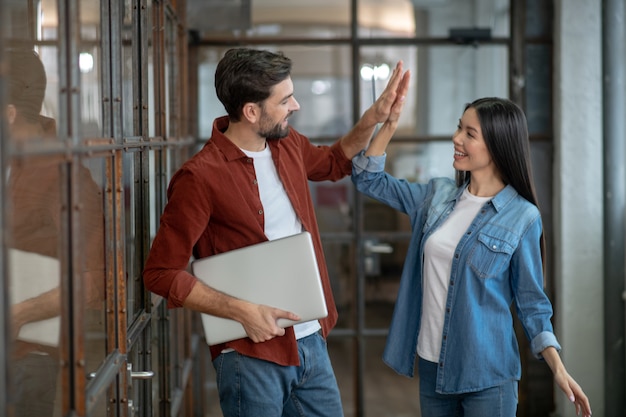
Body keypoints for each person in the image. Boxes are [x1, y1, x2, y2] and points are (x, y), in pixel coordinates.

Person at [142, 47, 410, 416]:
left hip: (310, 341)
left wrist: (374, 118)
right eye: (285, 100)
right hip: (250, 353)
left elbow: (334, 162)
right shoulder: (199, 178)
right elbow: (160, 273)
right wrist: (241, 311)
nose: (296, 106)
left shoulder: (288, 144)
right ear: (251, 111)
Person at [351, 97, 592, 417]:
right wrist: (389, 125)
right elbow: (368, 179)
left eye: (469, 133)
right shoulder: (435, 197)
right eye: (458, 128)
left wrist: (558, 369)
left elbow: (532, 303)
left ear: (496, 145)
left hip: (488, 377)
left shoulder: (522, 216)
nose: (456, 138)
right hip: (432, 369)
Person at [6, 48, 105, 417]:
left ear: (9, 114)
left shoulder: (64, 176)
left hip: (25, 357)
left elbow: (94, 281)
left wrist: (16, 315)